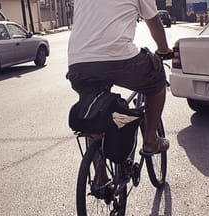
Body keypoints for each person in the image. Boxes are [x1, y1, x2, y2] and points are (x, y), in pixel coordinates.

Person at [66, 0, 173, 156]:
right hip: (119, 58)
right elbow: (153, 20)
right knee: (156, 78)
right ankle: (151, 141)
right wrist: (163, 49)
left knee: (94, 112)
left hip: (78, 63)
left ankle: (101, 179)